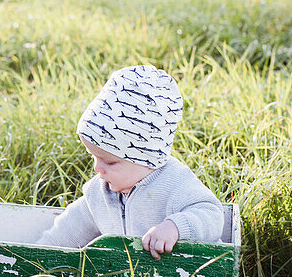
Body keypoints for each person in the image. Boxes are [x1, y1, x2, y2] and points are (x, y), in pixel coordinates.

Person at [35, 65, 223, 259]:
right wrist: (38, 255)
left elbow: (212, 215)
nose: (97, 168)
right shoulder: (98, 195)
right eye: (94, 156)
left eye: (110, 162)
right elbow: (67, 231)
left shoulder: (174, 184)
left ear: (147, 159)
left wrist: (175, 227)